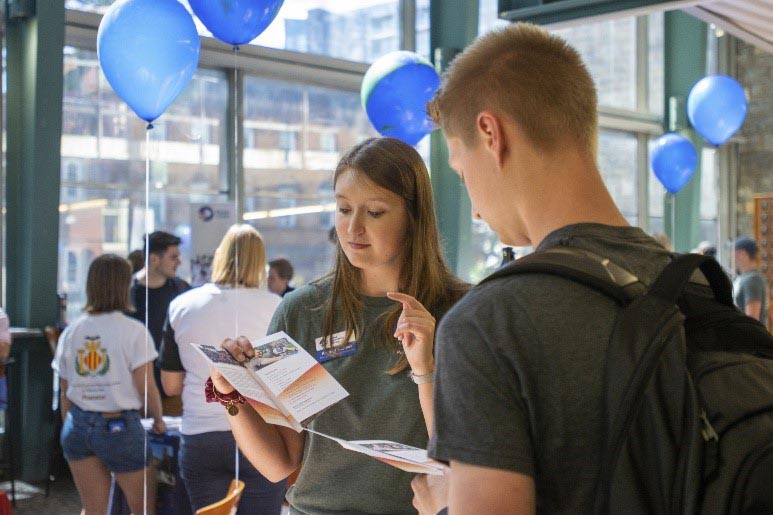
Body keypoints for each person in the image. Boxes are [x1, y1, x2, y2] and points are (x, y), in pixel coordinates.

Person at [414, 22, 690, 513]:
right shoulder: (696, 286)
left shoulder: (488, 326)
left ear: (490, 133)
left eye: (460, 170)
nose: (474, 209)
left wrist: (442, 505)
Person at [211, 137, 468, 513]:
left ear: (414, 217)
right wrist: (231, 394)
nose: (353, 228)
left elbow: (462, 458)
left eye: (375, 212)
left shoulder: (460, 312)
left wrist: (425, 370)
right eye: (343, 209)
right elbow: (280, 463)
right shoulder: (302, 310)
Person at [158, 225, 285, 513]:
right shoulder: (279, 307)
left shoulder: (181, 305)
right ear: (260, 261)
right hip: (262, 434)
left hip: (201, 434)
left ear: (220, 257)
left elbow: (170, 386)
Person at [52, 254, 165, 515]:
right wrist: (158, 419)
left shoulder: (72, 332)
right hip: (120, 428)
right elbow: (146, 387)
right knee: (142, 509)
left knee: (93, 510)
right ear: (124, 286)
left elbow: (65, 392)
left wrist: (74, 423)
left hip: (77, 427)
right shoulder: (134, 331)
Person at [128, 231, 190, 404]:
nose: (179, 262)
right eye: (173, 257)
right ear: (154, 258)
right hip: (134, 392)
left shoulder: (182, 291)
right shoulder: (127, 293)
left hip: (173, 391)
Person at [733, 236, 770, 330]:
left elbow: (752, 319)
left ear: (742, 254)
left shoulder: (752, 279)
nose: (732, 256)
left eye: (734, 252)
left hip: (749, 340)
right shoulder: (742, 278)